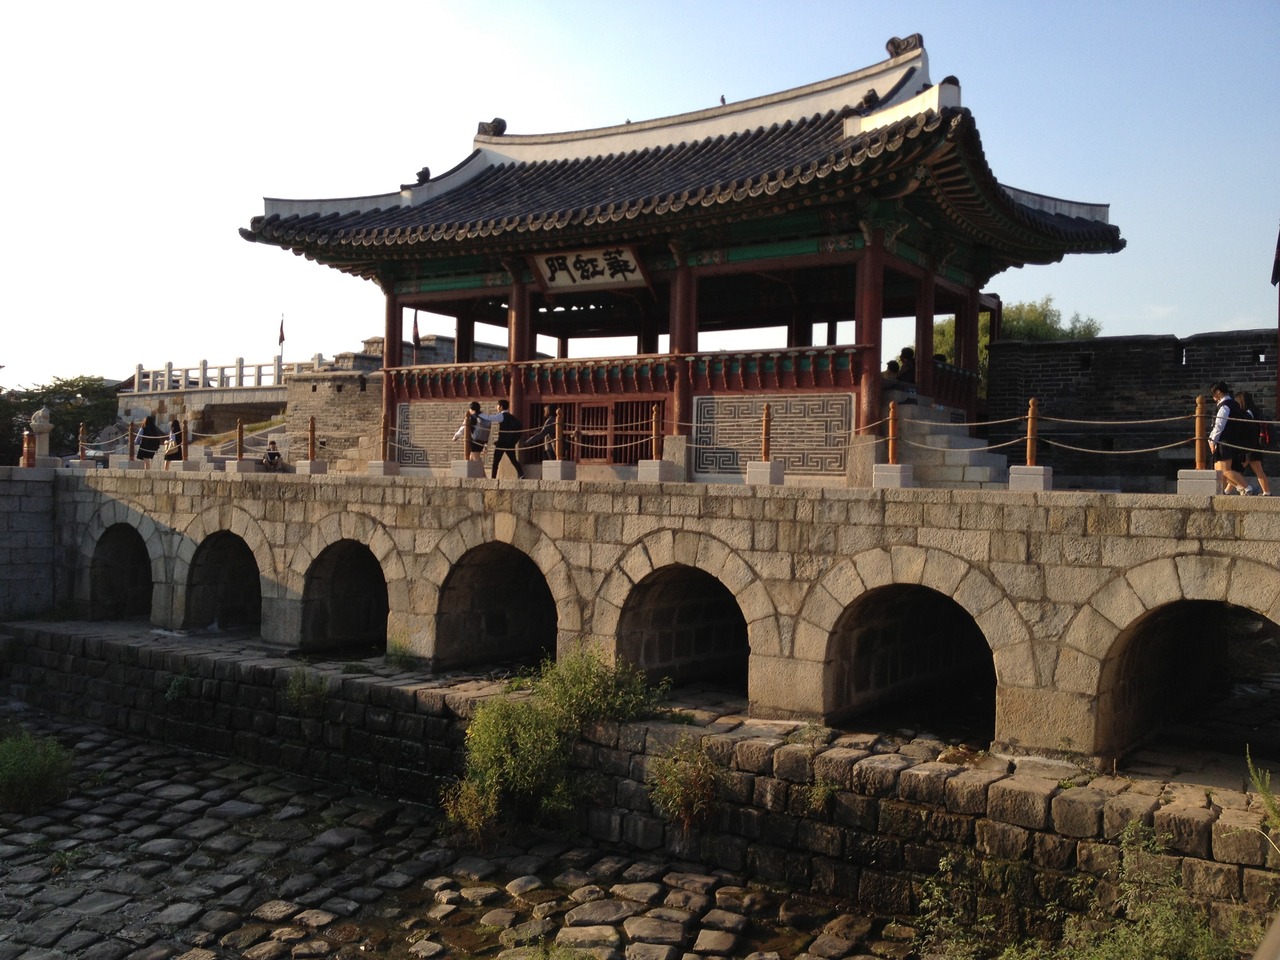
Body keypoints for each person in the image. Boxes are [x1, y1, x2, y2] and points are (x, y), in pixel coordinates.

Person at [1209, 382, 1251, 494]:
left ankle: (1247, 487)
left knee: (1225, 469)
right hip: (1233, 439)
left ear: (1218, 392)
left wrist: (1212, 440)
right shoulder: (1234, 404)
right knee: (1219, 469)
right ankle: (1231, 489)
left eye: (1213, 394)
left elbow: (1219, 425)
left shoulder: (1225, 406)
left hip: (1225, 441)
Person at [1234, 390, 1272, 495]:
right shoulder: (1256, 411)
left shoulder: (1248, 413)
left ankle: (1265, 492)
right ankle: (1266, 492)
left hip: (1249, 446)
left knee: (1235, 470)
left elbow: (1247, 430)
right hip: (1256, 445)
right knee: (1254, 470)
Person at [487, 398, 524, 479]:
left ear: (500, 406)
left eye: (497, 406)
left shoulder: (501, 416)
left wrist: (479, 415)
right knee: (513, 460)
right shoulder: (512, 417)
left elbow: (490, 418)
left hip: (501, 443)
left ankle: (493, 477)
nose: (496, 407)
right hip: (510, 442)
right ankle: (521, 475)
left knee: (496, 461)